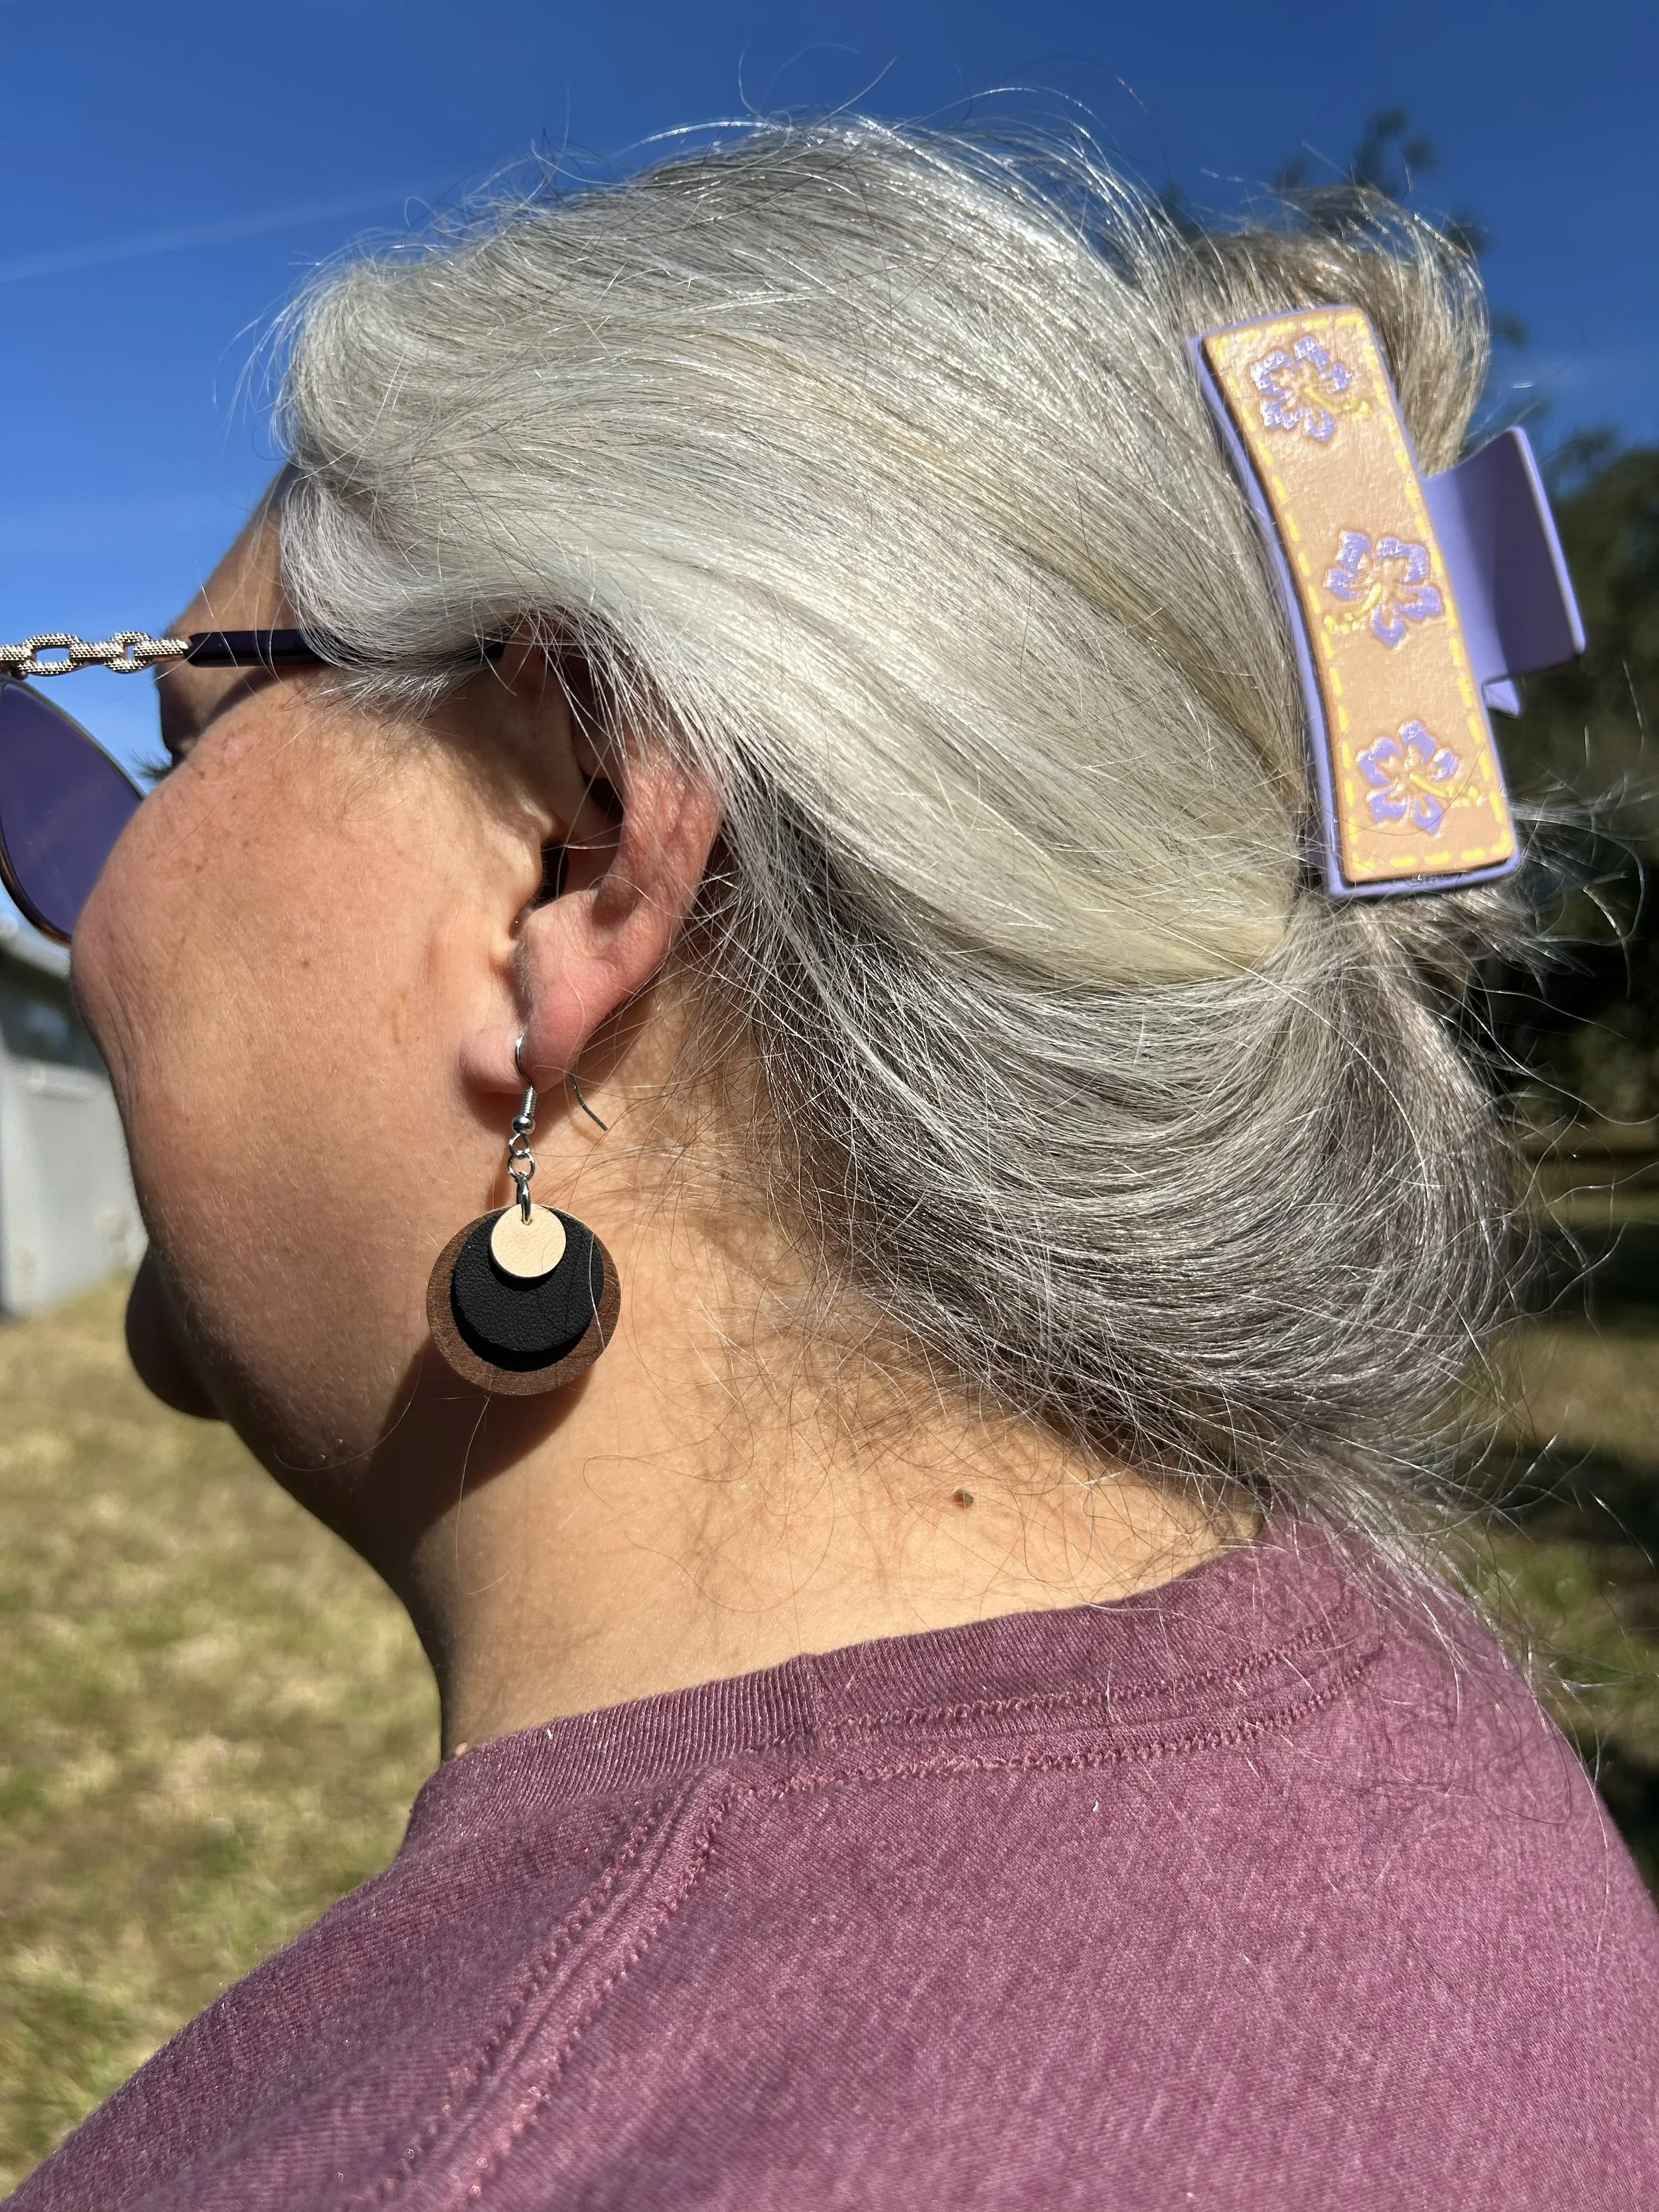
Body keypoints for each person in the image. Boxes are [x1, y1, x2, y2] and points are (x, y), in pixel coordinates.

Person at [7, 119, 1656, 2211]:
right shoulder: (1368, 1709)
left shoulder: (510, 2145)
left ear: (572, 844)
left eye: (166, 729)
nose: (84, 896)